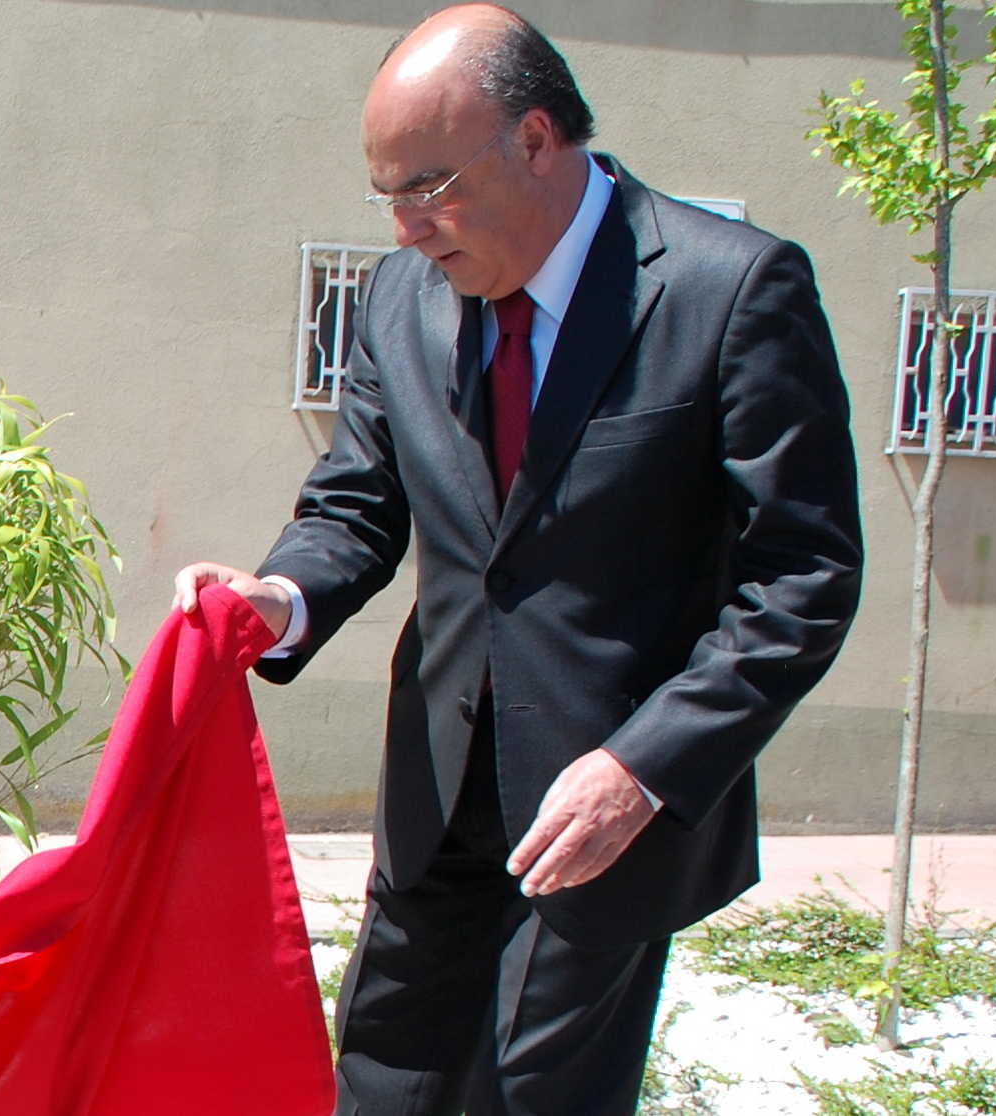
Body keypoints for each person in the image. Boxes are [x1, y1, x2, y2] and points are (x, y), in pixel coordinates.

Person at [173, 7, 863, 1113]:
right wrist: (282, 594)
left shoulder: (727, 290)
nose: (404, 228)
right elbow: (356, 501)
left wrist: (643, 769)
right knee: (383, 1081)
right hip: (436, 798)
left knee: (530, 1095)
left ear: (535, 140)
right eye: (384, 195)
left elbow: (803, 577)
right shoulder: (400, 298)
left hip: (606, 812)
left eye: (427, 187)